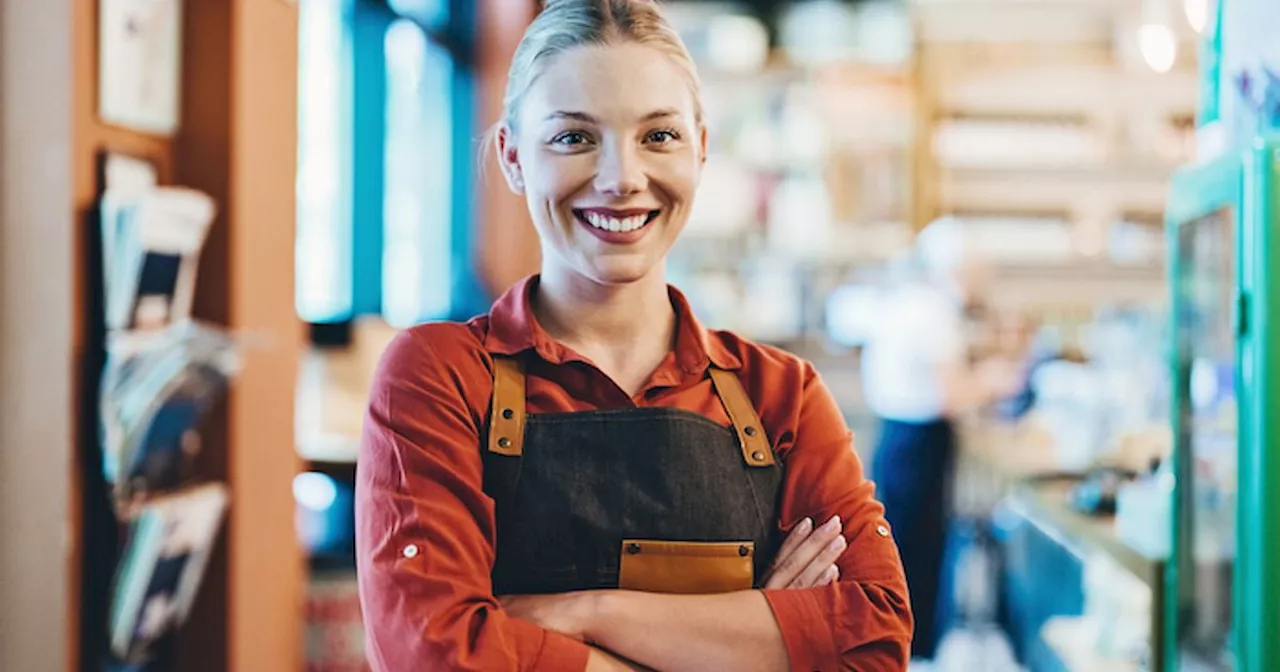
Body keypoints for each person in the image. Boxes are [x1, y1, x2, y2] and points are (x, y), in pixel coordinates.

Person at [354, 1, 912, 670]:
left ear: (701, 147)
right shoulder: (441, 376)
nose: (621, 178)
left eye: (658, 136)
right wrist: (751, 641)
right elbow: (434, 653)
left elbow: (875, 641)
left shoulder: (781, 396)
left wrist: (584, 613)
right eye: (573, 137)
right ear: (512, 156)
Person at [859, 218, 1020, 662]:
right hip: (919, 445)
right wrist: (995, 380)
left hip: (896, 439)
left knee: (901, 553)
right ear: (959, 270)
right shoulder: (935, 309)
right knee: (919, 556)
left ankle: (901, 651)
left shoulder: (906, 300)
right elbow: (953, 394)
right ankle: (915, 655)